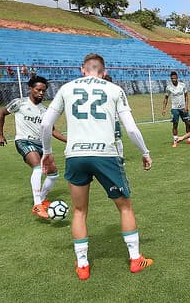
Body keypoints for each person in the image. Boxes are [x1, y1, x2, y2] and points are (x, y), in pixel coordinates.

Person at [40, 53, 154, 280]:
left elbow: (45, 123)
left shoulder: (66, 88)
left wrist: (47, 152)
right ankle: (135, 259)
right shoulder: (114, 90)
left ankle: (82, 265)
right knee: (125, 207)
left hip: (75, 154)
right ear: (103, 71)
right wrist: (145, 152)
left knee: (80, 211)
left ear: (82, 69)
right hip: (105, 154)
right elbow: (131, 129)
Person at [0, 75, 67, 219]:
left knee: (53, 174)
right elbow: (1, 113)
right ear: (30, 89)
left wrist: (68, 140)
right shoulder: (19, 103)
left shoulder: (46, 110)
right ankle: (37, 205)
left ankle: (41, 199)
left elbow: (52, 130)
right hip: (24, 141)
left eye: (43, 91)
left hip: (41, 145)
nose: (41, 93)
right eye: (38, 89)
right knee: (38, 167)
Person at [161, 71, 190, 147]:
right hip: (174, 109)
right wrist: (164, 109)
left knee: (188, 123)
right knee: (175, 124)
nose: (173, 80)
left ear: (177, 78)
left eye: (174, 78)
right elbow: (166, 98)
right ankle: (175, 141)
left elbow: (186, 96)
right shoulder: (169, 87)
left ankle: (189, 140)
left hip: (183, 108)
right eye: (172, 78)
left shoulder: (182, 85)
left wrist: (186, 106)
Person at [103, 74, 124, 158]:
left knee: (117, 139)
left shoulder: (115, 92)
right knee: (109, 140)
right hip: (106, 120)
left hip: (113, 120)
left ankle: (121, 157)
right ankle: (113, 157)